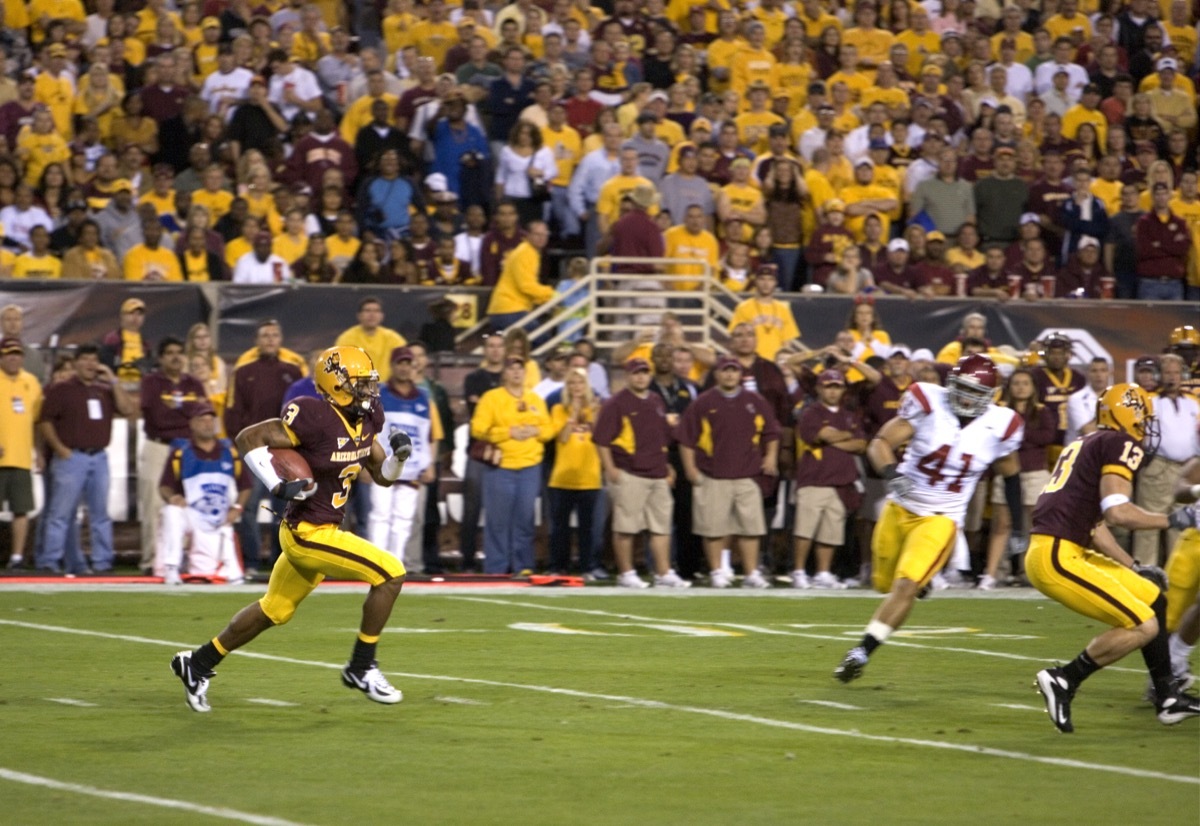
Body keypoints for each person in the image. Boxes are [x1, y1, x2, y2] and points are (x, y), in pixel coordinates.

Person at [170, 345, 414, 712]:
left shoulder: (367, 418)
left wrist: (398, 459)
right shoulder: (314, 416)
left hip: (319, 529)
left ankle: (198, 662)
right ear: (337, 384)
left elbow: (381, 477)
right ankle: (361, 667)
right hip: (309, 532)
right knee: (391, 574)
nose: (369, 391)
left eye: (369, 384)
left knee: (275, 610)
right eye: (361, 384)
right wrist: (275, 483)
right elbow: (247, 439)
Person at [834, 355, 1025, 683]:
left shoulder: (1002, 425)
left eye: (973, 392)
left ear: (990, 396)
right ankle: (921, 581)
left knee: (906, 586)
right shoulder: (928, 400)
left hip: (942, 517)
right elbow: (880, 443)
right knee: (883, 583)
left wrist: (1019, 526)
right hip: (900, 506)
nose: (964, 398)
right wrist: (892, 473)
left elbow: (1011, 475)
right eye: (961, 389)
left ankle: (862, 650)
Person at [1028, 383, 1200, 732]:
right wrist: (1174, 519)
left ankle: (1168, 696)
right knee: (1143, 625)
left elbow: (1094, 526)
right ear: (1129, 414)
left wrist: (1133, 566)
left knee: (1152, 597)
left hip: (1064, 547)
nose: (1146, 426)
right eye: (1143, 417)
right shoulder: (1119, 442)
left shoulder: (1087, 441)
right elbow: (1118, 512)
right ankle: (1064, 678)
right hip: (1057, 554)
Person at [678, 354, 781, 589]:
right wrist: (690, 468)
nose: (729, 374)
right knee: (713, 528)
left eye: (734, 370)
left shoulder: (755, 400)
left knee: (750, 528)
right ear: (717, 374)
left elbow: (771, 431)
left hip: (747, 474)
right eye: (725, 370)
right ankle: (716, 571)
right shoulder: (704, 402)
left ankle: (751, 573)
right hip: (714, 474)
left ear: (740, 374)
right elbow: (686, 438)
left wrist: (771, 457)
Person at [37, 344, 137, 574]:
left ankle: (102, 562)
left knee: (100, 514)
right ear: (76, 363)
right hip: (72, 457)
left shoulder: (104, 390)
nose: (90, 364)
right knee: (61, 514)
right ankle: (50, 562)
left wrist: (113, 380)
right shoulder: (61, 389)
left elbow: (128, 408)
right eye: (85, 359)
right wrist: (60, 449)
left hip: (99, 457)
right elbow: (45, 421)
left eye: (94, 359)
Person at [593, 358, 688, 589]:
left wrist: (667, 465)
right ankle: (626, 573)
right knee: (626, 526)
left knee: (661, 527)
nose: (641, 377)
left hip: (656, 472)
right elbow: (601, 439)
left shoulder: (656, 401)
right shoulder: (616, 403)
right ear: (628, 376)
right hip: (629, 472)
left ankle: (663, 573)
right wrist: (611, 468)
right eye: (636, 373)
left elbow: (660, 437)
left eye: (645, 373)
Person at [225, 320, 307, 574]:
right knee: (249, 506)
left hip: (284, 451)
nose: (270, 339)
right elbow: (232, 411)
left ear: (280, 339)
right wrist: (238, 445)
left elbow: (302, 410)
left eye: (274, 335)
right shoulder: (243, 371)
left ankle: (278, 562)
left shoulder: (293, 372)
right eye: (265, 335)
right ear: (257, 341)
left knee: (283, 508)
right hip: (254, 451)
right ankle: (251, 562)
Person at [469, 355, 553, 575]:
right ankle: (496, 568)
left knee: (525, 519)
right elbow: (478, 429)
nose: (516, 372)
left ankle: (523, 566)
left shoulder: (535, 399)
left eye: (520, 368)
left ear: (525, 372)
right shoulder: (491, 398)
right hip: (501, 467)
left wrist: (535, 431)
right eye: (512, 368)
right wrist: (508, 432)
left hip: (530, 467)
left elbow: (549, 429)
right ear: (504, 373)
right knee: (498, 521)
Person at [157, 400, 252, 585]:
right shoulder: (181, 453)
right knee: (171, 513)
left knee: (204, 574)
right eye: (202, 420)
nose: (208, 424)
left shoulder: (229, 452)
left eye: (211, 420)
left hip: (219, 519)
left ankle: (192, 563)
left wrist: (237, 508)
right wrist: (172, 497)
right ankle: (171, 567)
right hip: (192, 514)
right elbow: (164, 486)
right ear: (192, 423)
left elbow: (246, 486)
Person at [980, 368, 1058, 590]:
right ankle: (993, 573)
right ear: (1009, 387)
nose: (1021, 387)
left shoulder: (1042, 411)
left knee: (1034, 526)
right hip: (1005, 473)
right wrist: (1023, 437)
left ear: (1033, 387)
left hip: (1035, 473)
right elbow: (995, 438)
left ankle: (1032, 572)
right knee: (1001, 525)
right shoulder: (1000, 411)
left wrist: (1017, 434)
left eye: (1025, 383)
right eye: (1016, 383)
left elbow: (1048, 436)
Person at [137, 337, 208, 575]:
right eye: (169, 353)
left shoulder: (194, 383)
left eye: (179, 352)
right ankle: (151, 561)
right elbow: (157, 417)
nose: (176, 357)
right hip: (158, 446)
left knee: (189, 503)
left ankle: (182, 560)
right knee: (153, 505)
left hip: (187, 449)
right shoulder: (151, 382)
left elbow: (202, 416)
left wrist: (178, 415)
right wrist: (185, 417)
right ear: (160, 358)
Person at [792, 370, 867, 589]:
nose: (833, 391)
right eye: (828, 386)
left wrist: (836, 437)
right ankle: (798, 571)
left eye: (837, 386)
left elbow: (862, 444)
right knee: (805, 530)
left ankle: (823, 573)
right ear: (819, 388)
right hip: (814, 479)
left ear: (843, 389)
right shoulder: (811, 412)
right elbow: (822, 435)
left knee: (830, 533)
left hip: (841, 482)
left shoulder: (849, 414)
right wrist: (845, 435)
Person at [369, 347, 442, 573]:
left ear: (414, 366)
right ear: (392, 365)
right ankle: (374, 564)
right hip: (382, 466)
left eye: (408, 363)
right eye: (400, 362)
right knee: (380, 515)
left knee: (403, 520)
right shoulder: (379, 395)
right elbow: (367, 429)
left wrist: (429, 463)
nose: (404, 367)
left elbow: (428, 434)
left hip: (412, 469)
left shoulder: (423, 397)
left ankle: (393, 566)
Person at [1132, 355, 1199, 566]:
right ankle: (1145, 578)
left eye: (1177, 373)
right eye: (1168, 372)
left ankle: (1177, 579)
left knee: (1183, 528)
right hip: (1158, 468)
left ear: (1184, 375)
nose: (1173, 377)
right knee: (1148, 526)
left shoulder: (1193, 403)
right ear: (1160, 375)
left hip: (1188, 469)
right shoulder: (1149, 401)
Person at [546, 366, 603, 576]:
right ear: (567, 387)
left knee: (587, 529)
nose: (576, 387)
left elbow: (600, 439)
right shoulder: (558, 409)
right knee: (559, 528)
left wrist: (594, 416)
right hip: (563, 477)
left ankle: (587, 567)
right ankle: (558, 567)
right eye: (572, 383)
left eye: (580, 383)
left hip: (589, 477)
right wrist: (575, 414)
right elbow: (561, 437)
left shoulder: (595, 409)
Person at [460, 333, 507, 573]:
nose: (495, 350)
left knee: (499, 512)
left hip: (506, 452)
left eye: (500, 346)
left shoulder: (511, 378)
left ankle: (498, 563)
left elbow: (488, 412)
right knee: (472, 509)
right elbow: (475, 413)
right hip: (478, 451)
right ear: (485, 350)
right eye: (491, 346)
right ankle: (467, 562)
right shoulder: (474, 378)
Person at [0, 339, 42, 570]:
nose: (13, 358)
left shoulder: (31, 382)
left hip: (22, 457)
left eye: (17, 354)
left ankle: (16, 558)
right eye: (8, 354)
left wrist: (38, 451)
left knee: (21, 509)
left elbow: (36, 420)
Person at [485, 219, 553, 331]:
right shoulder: (525, 253)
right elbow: (526, 285)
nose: (542, 238)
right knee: (541, 337)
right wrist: (551, 294)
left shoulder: (530, 252)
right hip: (509, 310)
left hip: (508, 309)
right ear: (528, 235)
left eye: (545, 234)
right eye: (537, 234)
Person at [727, 264, 801, 361]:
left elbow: (787, 342)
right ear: (756, 281)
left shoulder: (783, 308)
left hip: (775, 364)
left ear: (775, 282)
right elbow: (735, 337)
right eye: (762, 279)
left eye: (770, 279)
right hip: (753, 362)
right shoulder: (743, 307)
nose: (766, 283)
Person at [335, 296, 407, 384]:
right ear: (359, 316)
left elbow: (406, 364)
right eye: (367, 311)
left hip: (388, 389)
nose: (372, 314)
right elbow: (339, 369)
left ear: (382, 316)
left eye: (376, 311)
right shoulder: (346, 339)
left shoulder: (394, 339)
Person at [99, 297, 153, 387]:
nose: (135, 318)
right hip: (117, 385)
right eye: (131, 313)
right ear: (122, 316)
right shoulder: (112, 339)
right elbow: (105, 366)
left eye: (139, 314)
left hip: (140, 386)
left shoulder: (145, 343)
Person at [1064, 357, 1111, 446]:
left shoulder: (1117, 396)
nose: (1099, 375)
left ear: (1109, 373)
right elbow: (1087, 431)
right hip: (1080, 452)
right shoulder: (1076, 399)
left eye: (1103, 370)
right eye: (1094, 371)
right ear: (1088, 373)